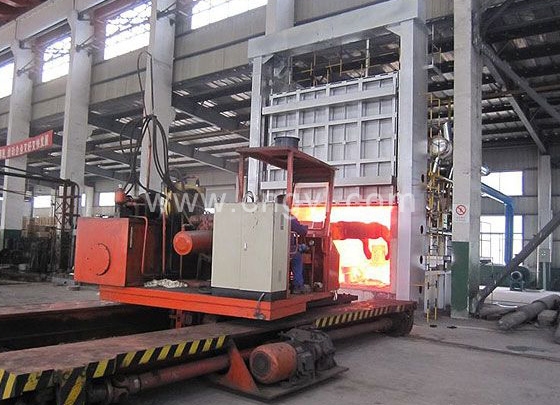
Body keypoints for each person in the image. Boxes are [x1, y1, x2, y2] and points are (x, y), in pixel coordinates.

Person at [276, 194, 308, 293]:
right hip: (288, 249)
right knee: (298, 256)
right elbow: (301, 231)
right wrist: (305, 227)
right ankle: (298, 285)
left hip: (275, 248)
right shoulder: (289, 217)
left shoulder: (271, 214)